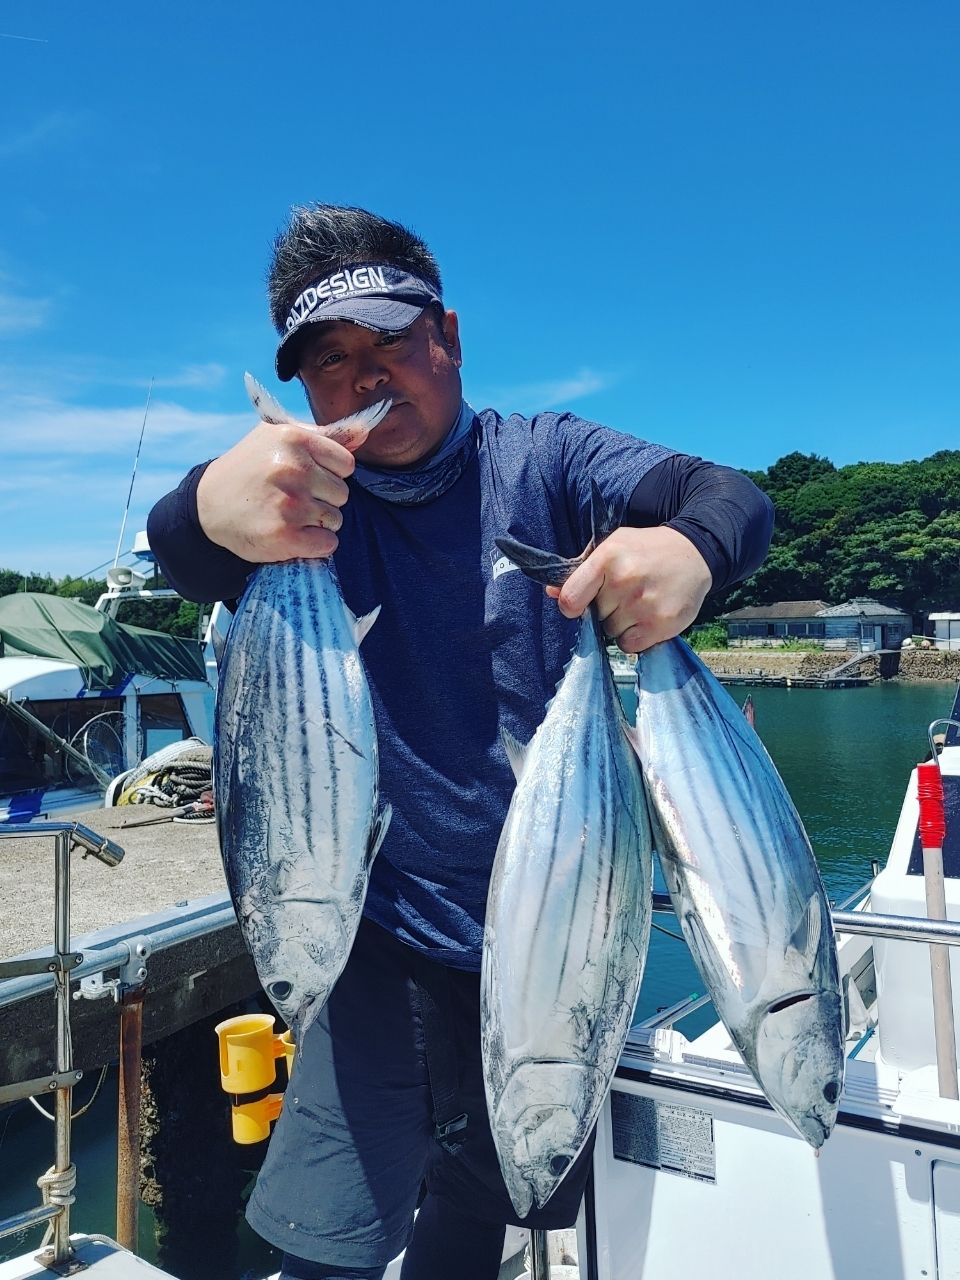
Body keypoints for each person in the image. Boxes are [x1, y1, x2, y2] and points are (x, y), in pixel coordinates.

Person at [148, 204, 774, 1280]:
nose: (362, 376)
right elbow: (179, 545)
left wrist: (690, 546)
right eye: (329, 359)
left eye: (389, 338)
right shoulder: (288, 500)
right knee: (324, 1243)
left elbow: (729, 494)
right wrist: (209, 499)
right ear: (301, 387)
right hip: (371, 933)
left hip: (554, 932)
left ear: (449, 334)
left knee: (486, 1211)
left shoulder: (550, 461)